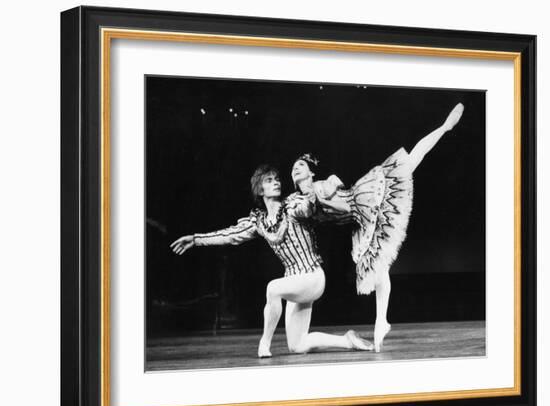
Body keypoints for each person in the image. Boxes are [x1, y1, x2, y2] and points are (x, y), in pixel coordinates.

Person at [290, 102, 465, 352]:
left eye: (300, 165)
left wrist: (324, 193)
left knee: (411, 161)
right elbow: (308, 214)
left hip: (363, 199)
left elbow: (337, 188)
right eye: (293, 168)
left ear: (309, 172)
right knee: (378, 266)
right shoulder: (300, 201)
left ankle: (445, 127)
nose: (296, 168)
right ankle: (381, 319)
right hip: (359, 223)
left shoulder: (319, 186)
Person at [170, 164, 373, 358]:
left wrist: (311, 198)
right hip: (294, 284)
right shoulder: (259, 222)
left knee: (272, 288)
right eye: (269, 180)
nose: (276, 182)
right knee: (297, 345)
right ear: (260, 190)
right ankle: (348, 341)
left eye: (277, 179)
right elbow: (230, 235)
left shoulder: (292, 205)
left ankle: (264, 343)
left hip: (312, 277)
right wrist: (196, 239)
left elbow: (306, 208)